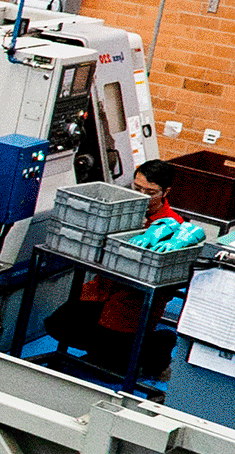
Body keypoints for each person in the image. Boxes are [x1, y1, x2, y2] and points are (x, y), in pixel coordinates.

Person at [46, 159, 185, 379]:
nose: (140, 196)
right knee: (58, 325)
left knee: (109, 367)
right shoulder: (119, 207)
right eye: (136, 188)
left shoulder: (172, 226)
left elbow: (167, 285)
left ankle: (157, 346)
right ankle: (108, 352)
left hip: (132, 303)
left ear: (166, 192)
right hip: (101, 290)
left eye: (149, 192)